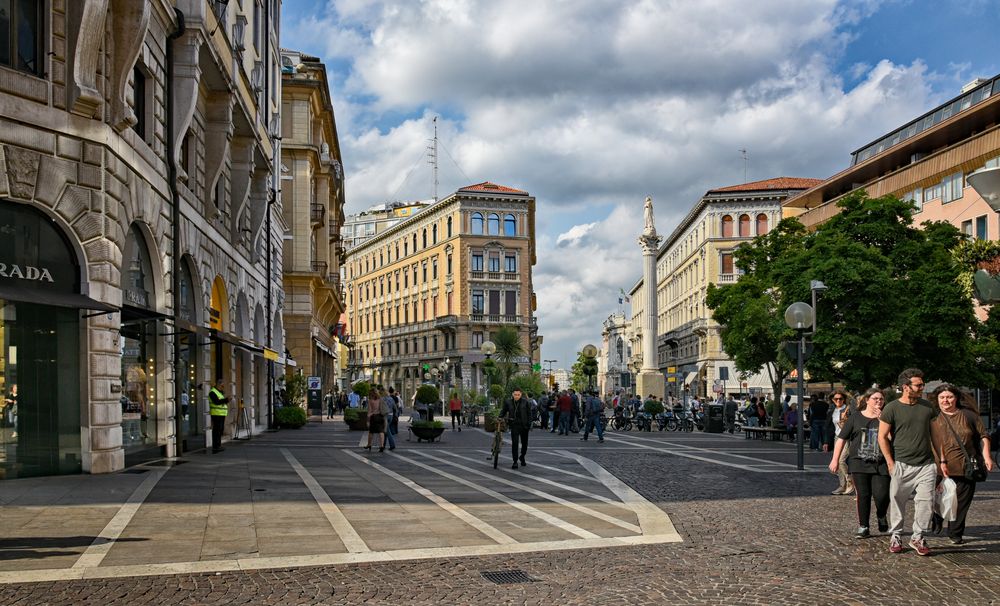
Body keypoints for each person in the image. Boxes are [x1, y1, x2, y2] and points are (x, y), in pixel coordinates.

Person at [878, 368, 939, 556]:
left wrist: (940, 461)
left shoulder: (928, 407)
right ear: (906, 387)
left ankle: (918, 536)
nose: (922, 387)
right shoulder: (892, 408)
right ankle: (896, 534)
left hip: (926, 464)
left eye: (922, 384)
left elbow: (936, 436)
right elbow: (882, 437)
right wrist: (890, 462)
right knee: (897, 500)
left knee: (926, 502)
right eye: (918, 385)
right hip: (901, 463)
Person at [929, 384, 994, 545]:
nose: (946, 400)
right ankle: (937, 517)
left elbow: (983, 435)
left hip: (965, 467)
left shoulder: (968, 415)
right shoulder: (933, 417)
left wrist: (987, 457)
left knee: (961, 502)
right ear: (937, 400)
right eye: (942, 397)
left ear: (956, 398)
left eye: (949, 397)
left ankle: (955, 532)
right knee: (933, 498)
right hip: (937, 466)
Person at [830, 389, 890, 539]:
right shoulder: (855, 418)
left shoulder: (887, 417)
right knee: (863, 495)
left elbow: (892, 438)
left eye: (881, 399)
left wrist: (883, 420)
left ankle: (881, 515)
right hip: (859, 462)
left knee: (881, 495)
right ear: (867, 400)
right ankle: (864, 526)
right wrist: (835, 459)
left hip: (881, 462)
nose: (878, 402)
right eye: (875, 399)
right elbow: (841, 439)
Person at [829, 389, 855, 495]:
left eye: (841, 398)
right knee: (836, 462)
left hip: (846, 438)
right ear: (832, 400)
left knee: (841, 461)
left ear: (844, 399)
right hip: (837, 438)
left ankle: (850, 481)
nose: (838, 400)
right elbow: (831, 427)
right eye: (836, 399)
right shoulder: (833, 410)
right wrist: (826, 441)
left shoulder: (848, 410)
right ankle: (842, 485)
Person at [500, 388, 532, 469]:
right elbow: (503, 411)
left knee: (525, 444)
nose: (516, 396)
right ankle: (515, 461)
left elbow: (529, 414)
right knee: (515, 443)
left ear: (521, 394)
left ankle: (522, 456)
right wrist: (500, 417)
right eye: (515, 395)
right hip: (514, 425)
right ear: (512, 394)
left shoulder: (526, 402)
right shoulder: (508, 402)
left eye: (518, 395)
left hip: (524, 426)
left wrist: (529, 424)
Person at [365, 386, 389, 453]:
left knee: (371, 432)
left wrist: (368, 420)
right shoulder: (380, 399)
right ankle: (381, 446)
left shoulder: (370, 400)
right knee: (381, 431)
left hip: (374, 417)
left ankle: (369, 444)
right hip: (381, 416)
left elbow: (369, 411)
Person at [207, 379, 229, 454]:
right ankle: (215, 446)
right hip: (216, 414)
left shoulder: (219, 392)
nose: (223, 387)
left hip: (221, 414)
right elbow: (216, 402)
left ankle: (219, 445)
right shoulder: (212, 392)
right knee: (216, 430)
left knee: (220, 430)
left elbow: (221, 402)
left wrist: (226, 399)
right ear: (219, 384)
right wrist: (226, 400)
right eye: (222, 385)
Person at [382, 387, 398, 452]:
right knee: (385, 430)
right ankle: (383, 445)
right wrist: (396, 415)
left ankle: (392, 445)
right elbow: (395, 408)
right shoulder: (391, 399)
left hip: (385, 416)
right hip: (391, 416)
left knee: (387, 431)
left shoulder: (382, 399)